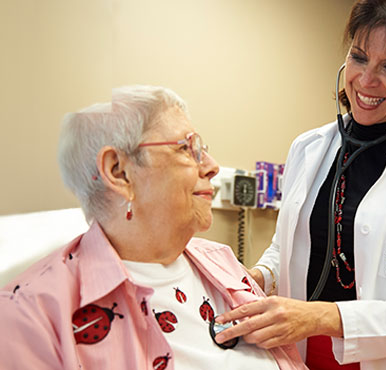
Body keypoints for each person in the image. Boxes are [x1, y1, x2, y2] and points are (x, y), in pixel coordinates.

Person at [214, 1, 386, 369]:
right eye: (358, 57)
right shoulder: (309, 148)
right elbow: (287, 248)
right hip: (298, 349)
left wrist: (320, 318)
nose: (366, 80)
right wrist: (254, 278)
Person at [0, 86, 307, 370]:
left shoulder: (221, 261)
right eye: (188, 149)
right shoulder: (30, 316)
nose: (212, 165)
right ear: (119, 172)